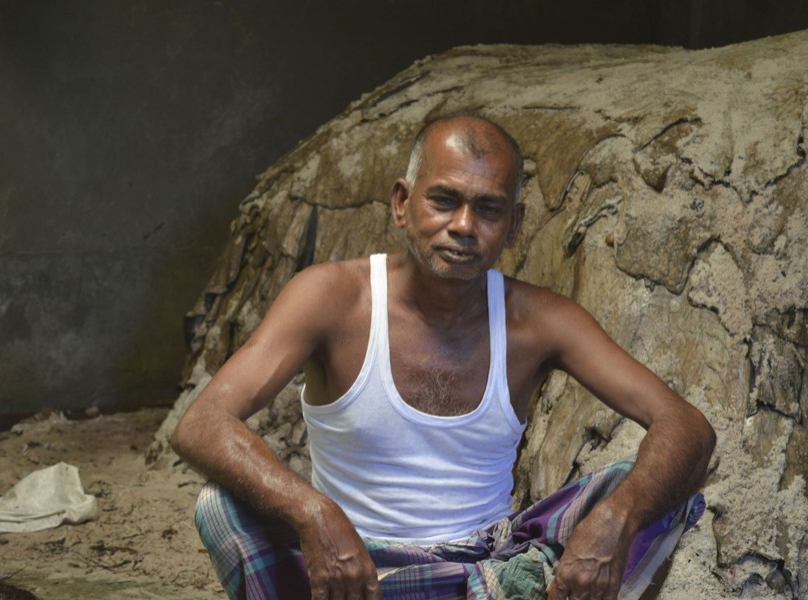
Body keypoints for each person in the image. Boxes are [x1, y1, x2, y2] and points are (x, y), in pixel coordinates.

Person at [172, 114, 716, 600]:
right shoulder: (332, 297)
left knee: (652, 492)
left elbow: (686, 426)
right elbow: (202, 423)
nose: (463, 226)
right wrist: (312, 511)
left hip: (488, 570)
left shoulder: (540, 320)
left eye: (488, 209)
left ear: (514, 225)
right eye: (444, 200)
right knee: (222, 504)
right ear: (401, 203)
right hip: (352, 571)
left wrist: (618, 517)